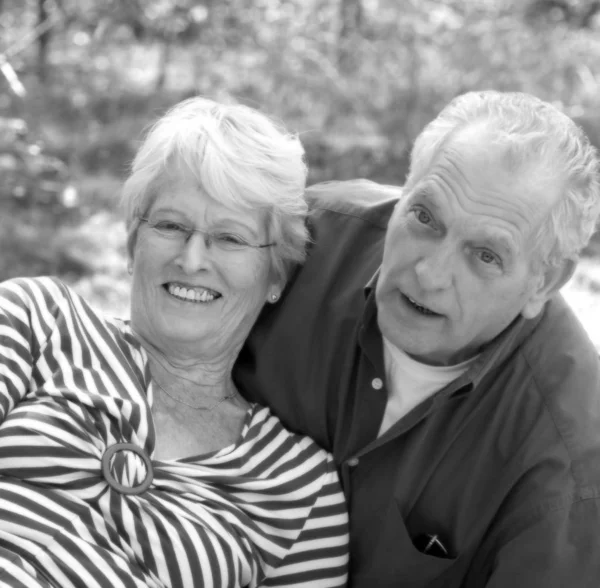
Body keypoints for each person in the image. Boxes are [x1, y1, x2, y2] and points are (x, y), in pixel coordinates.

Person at [236, 90, 600, 587]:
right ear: (403, 188)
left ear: (544, 281)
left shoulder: (571, 467)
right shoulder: (297, 241)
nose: (430, 273)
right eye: (425, 217)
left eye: (485, 255)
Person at [0, 97, 348, 588]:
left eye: (230, 238)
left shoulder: (301, 488)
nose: (192, 259)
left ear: (277, 274)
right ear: (131, 242)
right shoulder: (37, 320)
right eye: (170, 225)